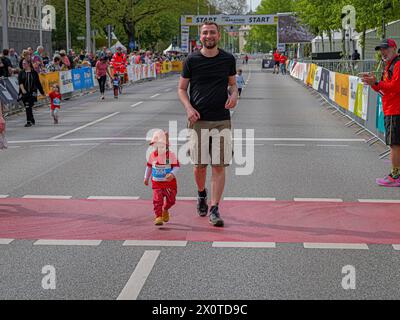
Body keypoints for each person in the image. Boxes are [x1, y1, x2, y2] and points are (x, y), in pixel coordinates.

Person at [178, 21, 238, 228]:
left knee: (219, 165)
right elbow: (181, 89)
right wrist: (188, 108)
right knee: (199, 166)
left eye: (212, 32)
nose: (208, 36)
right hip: (198, 120)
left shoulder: (228, 59)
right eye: (205, 33)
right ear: (200, 36)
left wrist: (235, 95)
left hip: (222, 119)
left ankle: (214, 208)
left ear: (218, 35)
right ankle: (201, 193)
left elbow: (232, 84)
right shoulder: (191, 60)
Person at [362, 39, 400, 187]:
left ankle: (395, 175)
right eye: (381, 50)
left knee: (394, 144)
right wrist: (373, 84)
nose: (383, 52)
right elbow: (385, 89)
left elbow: (396, 86)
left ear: (394, 48)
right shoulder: (389, 65)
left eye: (386, 49)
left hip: (395, 110)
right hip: (391, 108)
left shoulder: (397, 64)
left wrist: (376, 83)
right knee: (395, 144)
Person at [144, 130, 180, 226]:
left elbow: (176, 166)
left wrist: (172, 174)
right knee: (157, 200)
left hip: (169, 184)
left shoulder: (170, 156)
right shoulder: (152, 156)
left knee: (171, 201)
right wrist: (146, 178)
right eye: (157, 146)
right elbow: (149, 167)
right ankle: (158, 216)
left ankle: (166, 209)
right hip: (157, 184)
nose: (159, 149)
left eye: (162, 146)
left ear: (167, 146)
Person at [18, 59, 45, 127]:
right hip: (24, 92)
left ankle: (29, 120)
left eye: (24, 63)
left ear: (29, 64)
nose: (23, 65)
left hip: (33, 92)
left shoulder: (34, 73)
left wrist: (42, 92)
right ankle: (30, 119)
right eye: (22, 64)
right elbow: (20, 82)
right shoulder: (21, 72)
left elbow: (38, 83)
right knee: (27, 106)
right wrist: (23, 90)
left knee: (29, 105)